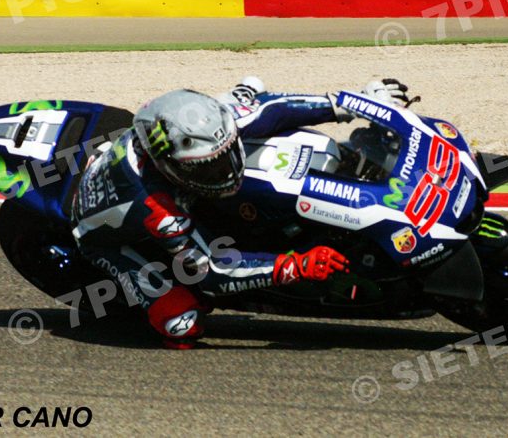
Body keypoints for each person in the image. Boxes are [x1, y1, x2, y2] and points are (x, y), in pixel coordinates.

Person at [70, 78, 409, 348]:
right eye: (207, 169)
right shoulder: (159, 210)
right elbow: (211, 272)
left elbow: (276, 108)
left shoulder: (211, 123)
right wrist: (293, 265)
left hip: (169, 184)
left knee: (253, 98)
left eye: (225, 155)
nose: (225, 171)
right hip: (104, 236)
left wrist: (351, 103)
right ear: (169, 167)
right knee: (182, 322)